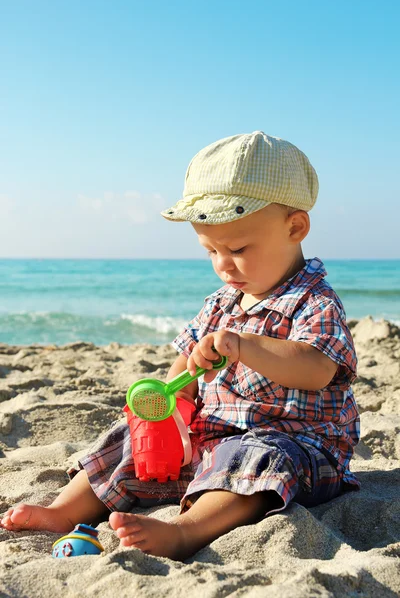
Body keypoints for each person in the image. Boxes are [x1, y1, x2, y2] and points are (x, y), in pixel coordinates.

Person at [0, 131, 360, 561]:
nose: (223, 264)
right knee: (130, 438)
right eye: (210, 250)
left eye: (238, 248)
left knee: (255, 457)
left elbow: (316, 369)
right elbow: (184, 365)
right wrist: (170, 399)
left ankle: (186, 530)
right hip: (209, 440)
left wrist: (246, 345)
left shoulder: (314, 301)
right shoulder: (221, 302)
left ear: (295, 226)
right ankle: (64, 511)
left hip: (296, 448)